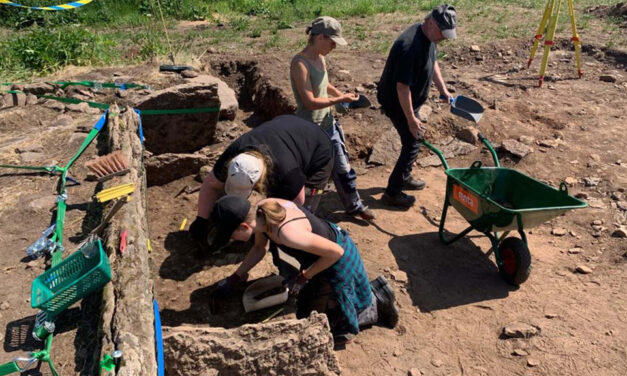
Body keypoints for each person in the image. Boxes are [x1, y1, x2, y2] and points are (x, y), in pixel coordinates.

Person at [209, 195, 399, 344]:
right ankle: (365, 293)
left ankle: (377, 302)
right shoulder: (262, 210)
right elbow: (259, 248)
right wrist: (236, 276)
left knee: (324, 327)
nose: (232, 240)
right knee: (307, 307)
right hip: (322, 253)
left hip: (336, 259)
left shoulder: (288, 234)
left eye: (232, 236)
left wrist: (305, 276)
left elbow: (336, 253)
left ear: (243, 226)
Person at [189, 114, 334, 253]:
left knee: (294, 215)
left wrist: (269, 230)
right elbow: (211, 184)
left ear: (259, 179)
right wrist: (201, 219)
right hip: (284, 129)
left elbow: (297, 204)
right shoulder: (234, 156)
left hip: (317, 148)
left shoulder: (287, 173)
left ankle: (306, 241)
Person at [290, 16, 375, 221]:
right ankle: (305, 216)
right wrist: (338, 98)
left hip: (328, 124)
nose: (334, 46)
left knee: (343, 168)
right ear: (320, 37)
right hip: (309, 130)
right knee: (314, 177)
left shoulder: (320, 58)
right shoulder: (299, 64)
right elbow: (309, 102)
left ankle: (354, 205)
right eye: (332, 41)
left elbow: (324, 84)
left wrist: (340, 98)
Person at [377, 4, 457, 208]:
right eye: (442, 33)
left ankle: (405, 175)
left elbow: (433, 61)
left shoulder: (429, 36)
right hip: (397, 102)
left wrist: (443, 90)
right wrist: (411, 119)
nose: (444, 38)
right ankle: (392, 192)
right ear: (431, 22)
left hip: (410, 100)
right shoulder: (409, 47)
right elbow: (402, 88)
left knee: (413, 140)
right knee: (412, 143)